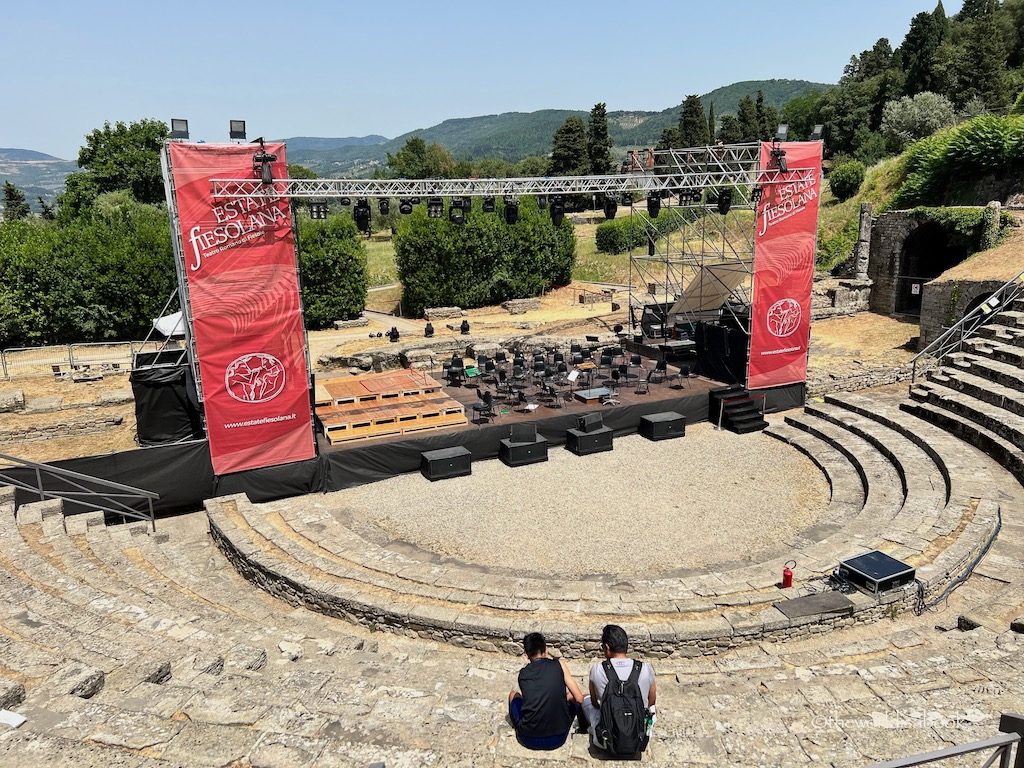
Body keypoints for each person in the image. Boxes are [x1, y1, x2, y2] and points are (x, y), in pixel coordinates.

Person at [582, 624, 657, 753]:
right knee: (652, 709)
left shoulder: (597, 669)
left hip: (605, 742)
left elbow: (595, 703)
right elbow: (652, 702)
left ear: (607, 647)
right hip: (638, 739)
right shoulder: (646, 669)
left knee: (585, 700)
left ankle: (587, 730)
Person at [508, 632, 584, 750]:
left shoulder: (523, 674)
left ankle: (518, 727)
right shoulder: (559, 665)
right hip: (558, 738)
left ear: (527, 655)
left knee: (514, 695)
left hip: (528, 738)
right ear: (545, 650)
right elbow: (579, 698)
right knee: (571, 696)